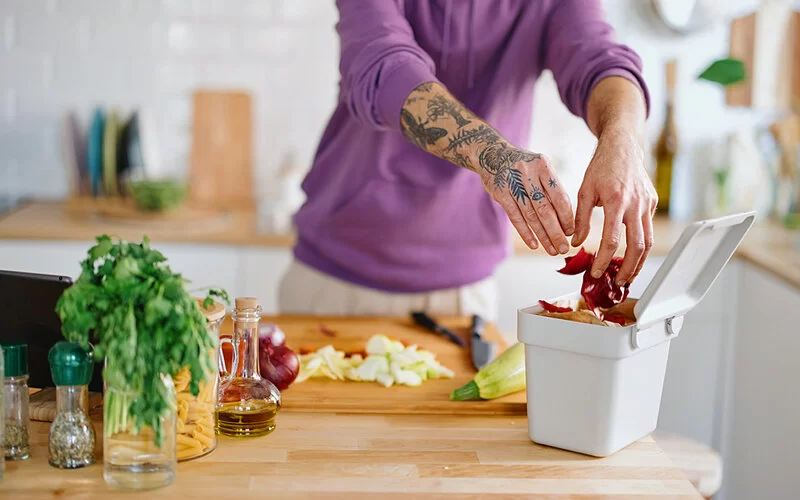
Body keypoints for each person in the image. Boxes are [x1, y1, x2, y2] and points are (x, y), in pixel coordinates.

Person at [279, 0, 656, 322]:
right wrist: (494, 155)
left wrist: (622, 140)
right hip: (333, 281)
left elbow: (599, 59)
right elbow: (381, 65)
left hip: (465, 293)